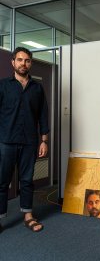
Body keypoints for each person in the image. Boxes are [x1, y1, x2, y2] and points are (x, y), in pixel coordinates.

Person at [0, 47, 49, 233]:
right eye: (19, 60)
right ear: (13, 62)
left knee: (27, 180)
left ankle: (28, 216)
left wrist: (44, 141)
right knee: (2, 181)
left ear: (31, 63)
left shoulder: (37, 88)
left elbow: (43, 116)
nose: (23, 63)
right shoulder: (3, 86)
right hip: (6, 141)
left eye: (27, 60)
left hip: (29, 142)